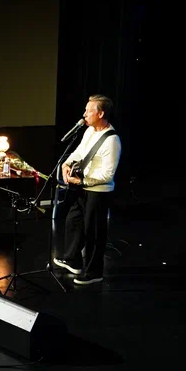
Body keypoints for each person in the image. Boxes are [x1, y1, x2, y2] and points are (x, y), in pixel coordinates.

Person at [53, 94, 121, 285]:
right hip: (82, 186)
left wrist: (82, 181)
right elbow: (79, 152)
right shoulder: (90, 131)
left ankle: (94, 272)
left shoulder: (112, 140)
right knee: (73, 220)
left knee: (94, 232)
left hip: (98, 192)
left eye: (88, 111)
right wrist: (66, 164)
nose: (84, 114)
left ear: (100, 114)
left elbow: (107, 175)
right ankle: (72, 260)